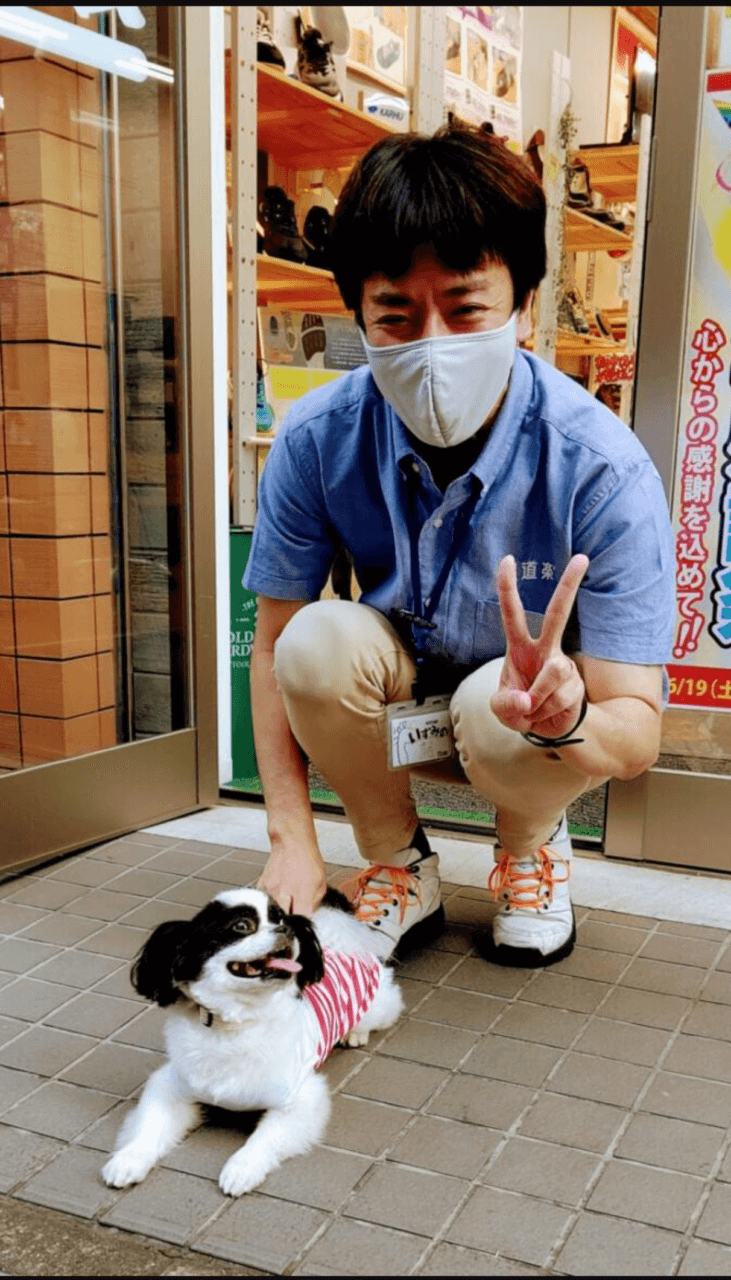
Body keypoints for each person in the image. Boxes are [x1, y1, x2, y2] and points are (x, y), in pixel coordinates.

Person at [244, 123, 675, 968]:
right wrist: (291, 835)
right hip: (393, 706)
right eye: (396, 314)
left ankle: (530, 850)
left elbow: (639, 733)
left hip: (524, 733)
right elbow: (269, 651)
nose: (432, 344)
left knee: (498, 698)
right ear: (357, 314)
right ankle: (397, 863)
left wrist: (570, 716)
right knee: (312, 644)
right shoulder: (317, 440)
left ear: (522, 304)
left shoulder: (602, 467)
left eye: (466, 307)